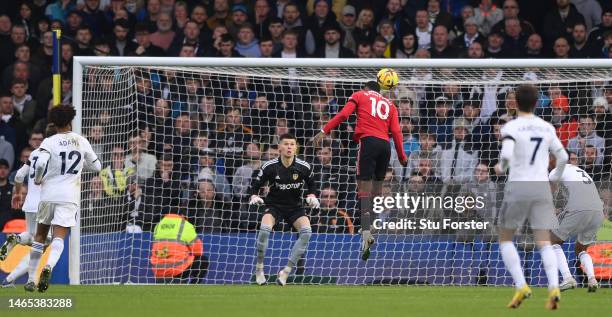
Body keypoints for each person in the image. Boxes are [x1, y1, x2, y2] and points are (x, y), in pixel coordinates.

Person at [313, 80, 407, 261]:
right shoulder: (391, 105)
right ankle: (373, 223)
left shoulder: (359, 95)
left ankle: (365, 232)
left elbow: (342, 115)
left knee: (363, 189)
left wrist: (323, 131)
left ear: (365, 89)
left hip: (368, 142)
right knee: (377, 188)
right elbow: (396, 131)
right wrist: (402, 156)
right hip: (385, 146)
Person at [494, 84, 568, 310]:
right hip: (541, 186)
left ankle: (521, 285)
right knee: (544, 241)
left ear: (515, 103)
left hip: (518, 186)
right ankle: (554, 286)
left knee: (506, 238)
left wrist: (500, 166)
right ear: (537, 103)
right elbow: (563, 156)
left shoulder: (512, 126)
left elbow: (506, 154)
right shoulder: (546, 127)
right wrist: (554, 179)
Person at [23, 105, 102, 292]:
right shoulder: (80, 141)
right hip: (69, 196)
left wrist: (39, 177)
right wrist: (81, 167)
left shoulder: (49, 142)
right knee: (59, 237)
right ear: (70, 121)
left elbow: (41, 162)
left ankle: (31, 279)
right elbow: (97, 167)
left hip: (49, 194)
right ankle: (48, 266)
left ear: (54, 122)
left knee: (40, 235)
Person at [248, 134, 319, 286]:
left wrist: (312, 196)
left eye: (292, 144)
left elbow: (312, 185)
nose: (289, 147)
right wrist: (254, 196)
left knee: (307, 233)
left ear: (296, 148)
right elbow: (255, 185)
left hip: (295, 207)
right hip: (274, 206)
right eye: (286, 144)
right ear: (279, 147)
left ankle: (286, 271)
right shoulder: (269, 166)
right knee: (265, 230)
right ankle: (259, 269)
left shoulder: (304, 166)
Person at [0, 124, 56, 287]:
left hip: (30, 204)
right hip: (45, 204)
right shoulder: (55, 155)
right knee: (42, 244)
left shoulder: (35, 154)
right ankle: (29, 279)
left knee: (35, 241)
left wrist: (17, 193)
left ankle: (9, 279)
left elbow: (19, 175)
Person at [548, 161, 604, 292]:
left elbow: (550, 192)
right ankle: (592, 279)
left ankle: (568, 278)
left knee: (552, 241)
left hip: (579, 208)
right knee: (581, 249)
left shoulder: (555, 171)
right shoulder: (578, 170)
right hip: (597, 210)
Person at [150, 213, 208, 284]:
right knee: (203, 260)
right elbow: (198, 251)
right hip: (177, 269)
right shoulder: (185, 225)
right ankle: (193, 287)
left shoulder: (158, 225)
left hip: (158, 269)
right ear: (182, 215)